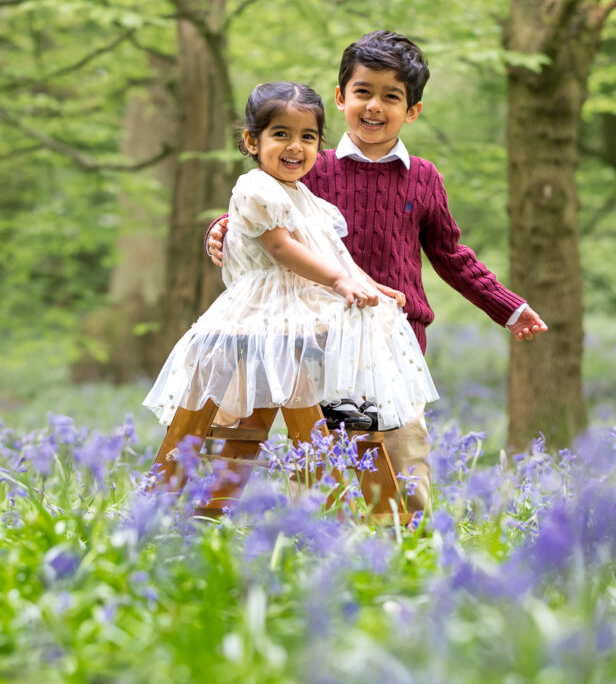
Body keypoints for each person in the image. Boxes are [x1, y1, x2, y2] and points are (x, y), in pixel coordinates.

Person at [204, 31, 547, 511]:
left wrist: (510, 308)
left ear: (412, 111)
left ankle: (412, 562)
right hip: (319, 346)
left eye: (392, 97)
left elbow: (451, 255)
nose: (374, 106)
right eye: (363, 92)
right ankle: (317, 561)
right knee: (323, 472)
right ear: (342, 97)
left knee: (405, 464)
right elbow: (262, 215)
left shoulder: (423, 178)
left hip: (394, 343)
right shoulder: (307, 164)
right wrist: (220, 228)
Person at [144, 81, 438, 443]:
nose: (296, 147)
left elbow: (333, 251)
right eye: (281, 134)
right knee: (342, 314)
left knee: (371, 312)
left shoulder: (304, 195)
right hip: (266, 306)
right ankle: (337, 404)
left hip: (295, 305)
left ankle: (348, 404)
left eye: (308, 137)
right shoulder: (256, 188)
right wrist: (339, 282)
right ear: (253, 141)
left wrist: (368, 283)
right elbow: (281, 248)